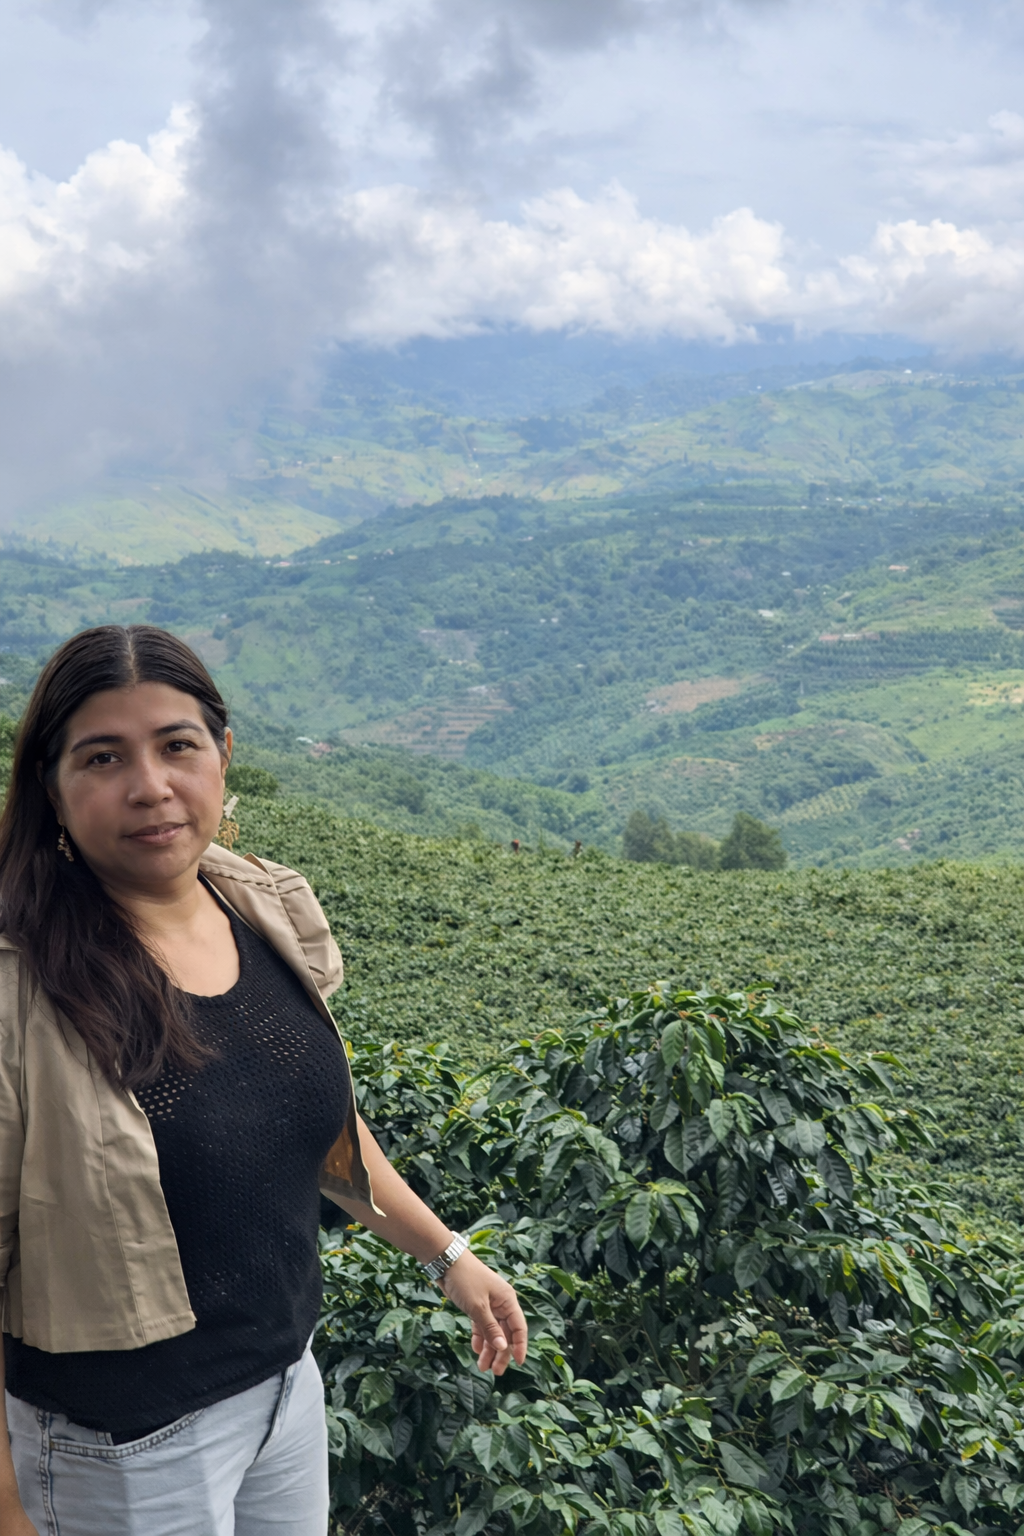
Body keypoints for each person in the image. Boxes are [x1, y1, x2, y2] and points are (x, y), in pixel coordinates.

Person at [0, 625, 527, 1536]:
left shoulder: (258, 903)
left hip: (284, 1390)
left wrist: (448, 1255)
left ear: (223, 753)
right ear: (51, 786)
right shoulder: (22, 988)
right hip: (123, 1446)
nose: (150, 785)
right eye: (102, 757)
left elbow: (317, 1126)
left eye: (177, 745)